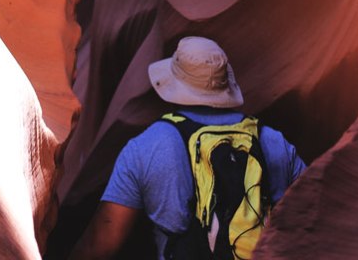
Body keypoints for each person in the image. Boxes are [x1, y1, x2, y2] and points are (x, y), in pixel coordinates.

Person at [68, 36, 305, 259]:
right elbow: (313, 216)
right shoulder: (274, 143)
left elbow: (100, 244)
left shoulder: (147, 146)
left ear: (173, 85)